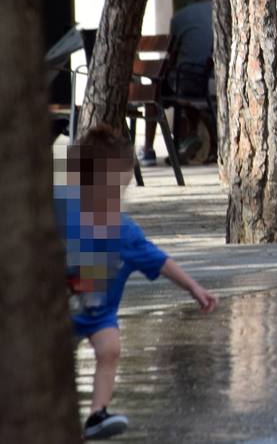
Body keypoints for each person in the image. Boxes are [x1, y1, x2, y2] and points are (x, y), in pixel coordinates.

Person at [58, 125, 218, 439]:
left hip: (98, 313)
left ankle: (96, 415)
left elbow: (160, 261)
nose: (114, 199)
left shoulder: (124, 231)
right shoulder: (63, 216)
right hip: (58, 313)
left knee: (111, 349)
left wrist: (194, 288)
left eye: (119, 190)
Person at [140, 0, 214, 167]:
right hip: (213, 81)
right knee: (188, 94)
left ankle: (148, 149)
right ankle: (188, 139)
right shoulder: (224, 13)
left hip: (186, 81)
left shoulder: (181, 17)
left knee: (154, 94)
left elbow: (171, 58)